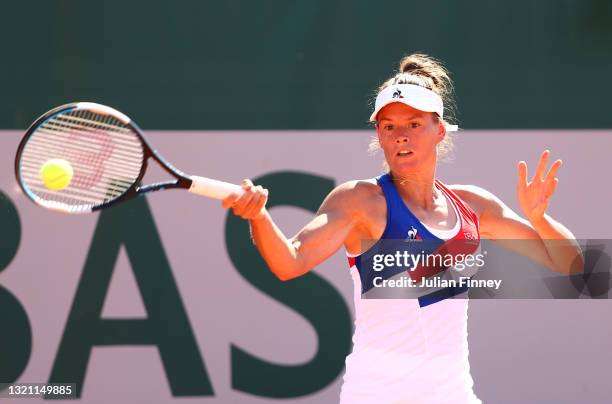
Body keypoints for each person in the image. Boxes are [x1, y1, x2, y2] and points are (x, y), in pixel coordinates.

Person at [222, 54, 584, 404]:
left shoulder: (473, 207)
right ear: (378, 134)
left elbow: (573, 267)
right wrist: (259, 216)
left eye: (413, 124)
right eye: (389, 126)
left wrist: (539, 218)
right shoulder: (360, 202)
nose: (401, 137)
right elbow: (290, 262)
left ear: (439, 130)